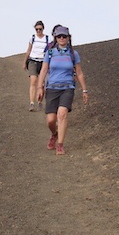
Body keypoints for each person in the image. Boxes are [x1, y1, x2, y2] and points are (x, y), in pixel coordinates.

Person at [36, 26, 89, 155]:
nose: (61, 38)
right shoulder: (50, 52)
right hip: (52, 88)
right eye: (59, 36)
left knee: (62, 114)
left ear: (68, 38)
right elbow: (43, 70)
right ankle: (54, 134)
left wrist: (84, 90)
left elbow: (80, 73)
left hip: (67, 88)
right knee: (50, 120)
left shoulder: (73, 54)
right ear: (55, 38)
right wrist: (39, 87)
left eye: (64, 36)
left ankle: (60, 144)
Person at [23, 21, 48, 111]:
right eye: (36, 29)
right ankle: (32, 103)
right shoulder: (32, 38)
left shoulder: (47, 39)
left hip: (43, 62)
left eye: (40, 29)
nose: (38, 31)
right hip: (33, 60)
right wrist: (24, 62)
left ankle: (40, 101)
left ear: (43, 29)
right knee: (33, 81)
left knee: (42, 83)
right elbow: (28, 50)